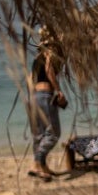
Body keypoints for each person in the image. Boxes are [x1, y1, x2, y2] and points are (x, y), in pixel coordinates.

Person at [28, 31, 66, 181]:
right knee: (53, 133)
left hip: (35, 97)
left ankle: (42, 167)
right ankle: (36, 162)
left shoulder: (36, 59)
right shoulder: (49, 55)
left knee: (40, 135)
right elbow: (50, 71)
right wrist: (58, 90)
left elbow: (30, 80)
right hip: (45, 95)